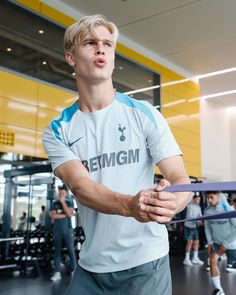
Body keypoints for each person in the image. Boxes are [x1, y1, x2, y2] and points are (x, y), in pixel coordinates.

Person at [43, 14, 192, 295]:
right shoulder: (58, 130)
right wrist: (129, 206)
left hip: (146, 263)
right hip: (91, 266)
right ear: (71, 57)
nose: (101, 49)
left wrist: (172, 203)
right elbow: (81, 188)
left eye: (107, 44)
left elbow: (180, 179)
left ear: (112, 57)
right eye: (89, 42)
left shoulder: (145, 114)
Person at [205, 191, 236, 295]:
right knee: (212, 260)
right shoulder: (208, 211)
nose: (209, 200)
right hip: (217, 242)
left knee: (231, 268)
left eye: (211, 197)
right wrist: (209, 241)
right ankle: (219, 290)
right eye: (207, 198)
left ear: (218, 197)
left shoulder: (229, 210)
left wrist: (226, 243)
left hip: (231, 243)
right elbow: (207, 227)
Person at [49, 184, 77, 281]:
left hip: (68, 230)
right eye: (60, 193)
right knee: (57, 251)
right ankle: (57, 273)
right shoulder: (54, 203)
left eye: (63, 193)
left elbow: (69, 213)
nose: (61, 194)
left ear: (67, 193)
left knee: (71, 249)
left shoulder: (70, 202)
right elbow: (53, 216)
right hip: (57, 230)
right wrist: (66, 215)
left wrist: (63, 203)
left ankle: (74, 270)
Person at [183, 195, 204, 266]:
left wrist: (200, 220)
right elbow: (190, 217)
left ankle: (195, 258)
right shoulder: (190, 206)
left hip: (194, 227)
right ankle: (186, 259)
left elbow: (200, 216)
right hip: (188, 226)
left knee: (196, 242)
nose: (199, 201)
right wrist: (198, 221)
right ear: (194, 199)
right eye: (198, 199)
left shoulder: (199, 207)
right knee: (190, 242)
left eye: (199, 199)